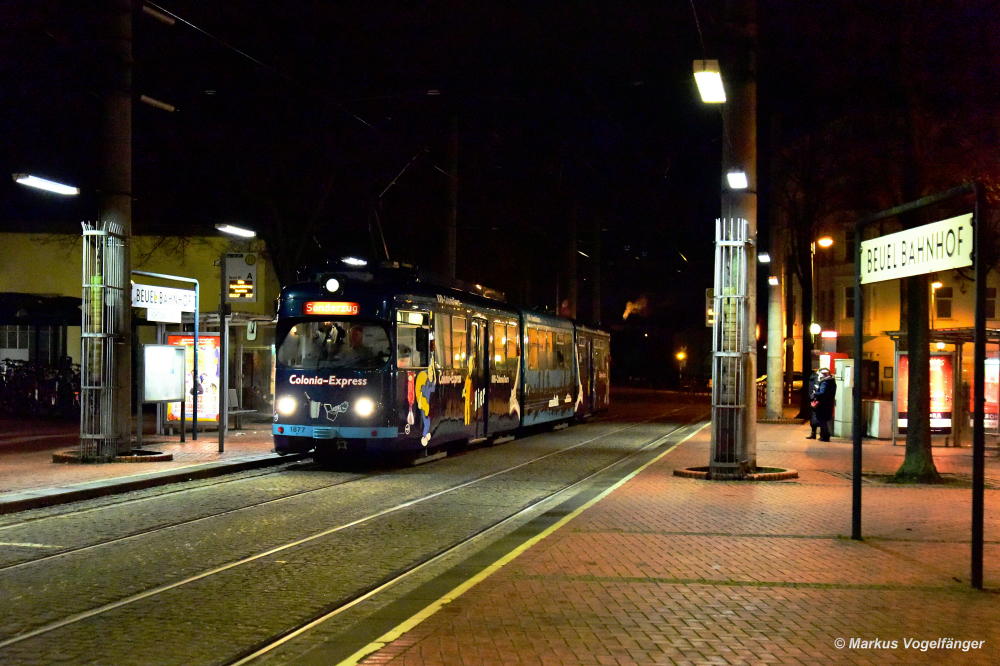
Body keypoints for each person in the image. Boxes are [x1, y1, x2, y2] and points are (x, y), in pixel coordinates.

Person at [811, 367, 837, 442]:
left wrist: (815, 394)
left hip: (823, 404)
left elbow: (822, 392)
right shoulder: (832, 381)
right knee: (824, 420)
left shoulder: (825, 382)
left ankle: (825, 436)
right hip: (828, 403)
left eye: (821, 374)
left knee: (822, 420)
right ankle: (824, 436)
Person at [805, 370, 821, 439]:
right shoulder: (816, 378)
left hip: (814, 399)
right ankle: (815, 433)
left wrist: (812, 397)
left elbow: (813, 389)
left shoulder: (813, 378)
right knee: (815, 416)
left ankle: (814, 433)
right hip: (815, 399)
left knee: (814, 416)